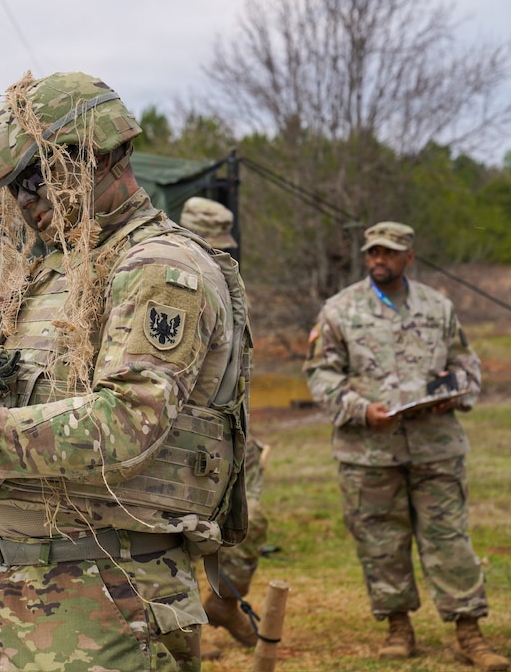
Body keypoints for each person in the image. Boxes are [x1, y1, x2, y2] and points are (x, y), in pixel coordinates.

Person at [0, 71, 252, 671]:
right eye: (14, 188)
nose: (25, 204)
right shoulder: (53, 274)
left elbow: (125, 424)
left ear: (99, 154)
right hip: (27, 591)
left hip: (110, 596)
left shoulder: (159, 269)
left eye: (36, 179)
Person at [304, 221, 508, 671]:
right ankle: (398, 626)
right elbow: (321, 374)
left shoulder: (438, 308)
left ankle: (468, 630)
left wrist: (456, 391)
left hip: (436, 446)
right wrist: (360, 409)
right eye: (373, 252)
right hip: (368, 450)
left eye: (390, 252)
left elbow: (465, 363)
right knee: (381, 540)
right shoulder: (340, 310)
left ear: (408, 258)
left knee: (449, 537)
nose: (380, 259)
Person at [179, 197, 267, 654]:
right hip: (184, 428)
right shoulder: (173, 275)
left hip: (230, 423)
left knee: (253, 521)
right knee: (177, 534)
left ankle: (224, 602)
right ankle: (184, 633)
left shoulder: (227, 279)